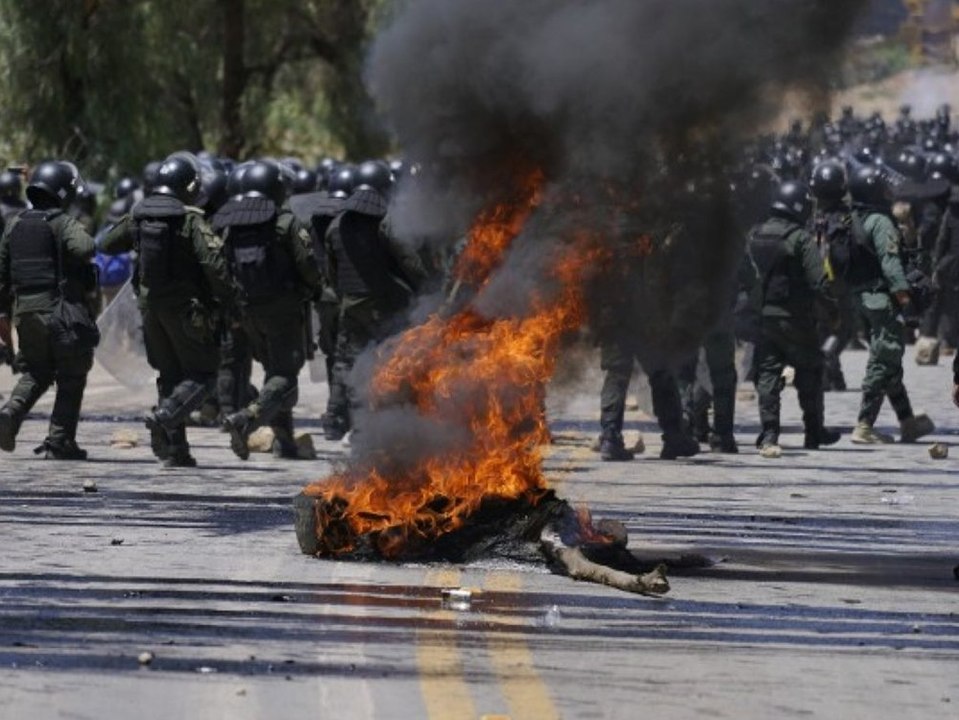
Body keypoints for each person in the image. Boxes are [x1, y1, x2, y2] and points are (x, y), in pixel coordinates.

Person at [101, 153, 232, 467]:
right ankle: (165, 417)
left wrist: (136, 226)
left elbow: (107, 243)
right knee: (203, 375)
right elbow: (215, 266)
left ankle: (176, 450)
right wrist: (229, 301)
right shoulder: (190, 219)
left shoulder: (139, 215)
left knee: (170, 376)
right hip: (187, 311)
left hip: (150, 310)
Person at [215, 160, 323, 460]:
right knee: (285, 376)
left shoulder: (231, 224)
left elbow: (222, 267)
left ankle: (284, 442)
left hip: (248, 312)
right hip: (283, 311)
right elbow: (307, 264)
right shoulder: (284, 222)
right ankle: (247, 419)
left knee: (273, 373)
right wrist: (312, 290)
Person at [0, 161, 98, 459]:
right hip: (58, 310)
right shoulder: (61, 221)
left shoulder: (15, 224)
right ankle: (60, 440)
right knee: (72, 372)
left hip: (25, 312)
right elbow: (86, 248)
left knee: (36, 370)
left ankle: (11, 412)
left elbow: (2, 273)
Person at [325, 160, 427, 444]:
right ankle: (392, 429)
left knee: (353, 367)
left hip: (351, 308)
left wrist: (346, 299)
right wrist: (426, 290)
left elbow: (332, 273)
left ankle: (358, 430)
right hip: (388, 307)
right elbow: (409, 261)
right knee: (392, 367)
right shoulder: (387, 220)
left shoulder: (336, 224)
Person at [747, 181, 840, 458]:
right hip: (796, 318)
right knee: (810, 370)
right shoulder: (800, 238)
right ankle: (813, 431)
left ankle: (769, 434)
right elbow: (818, 281)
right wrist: (832, 312)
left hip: (764, 318)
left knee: (767, 374)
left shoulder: (755, 234)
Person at [844, 166, 935, 444]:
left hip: (860, 298)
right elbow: (891, 264)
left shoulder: (852, 218)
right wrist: (905, 299)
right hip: (881, 298)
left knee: (889, 360)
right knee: (884, 360)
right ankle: (864, 426)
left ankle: (907, 422)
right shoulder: (881, 222)